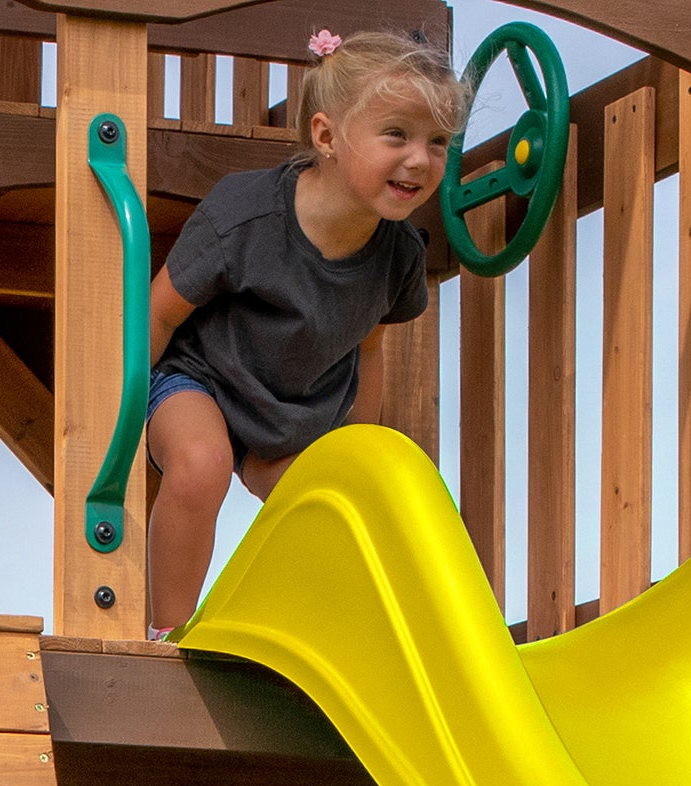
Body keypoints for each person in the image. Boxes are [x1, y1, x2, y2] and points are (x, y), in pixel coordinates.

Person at [143, 28, 468, 634]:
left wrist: (354, 449)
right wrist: (118, 413)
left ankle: (310, 641)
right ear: (326, 137)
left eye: (439, 141)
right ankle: (167, 634)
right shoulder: (245, 215)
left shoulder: (398, 253)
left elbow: (368, 347)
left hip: (291, 419)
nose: (421, 159)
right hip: (198, 381)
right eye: (396, 133)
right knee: (201, 461)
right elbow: (158, 313)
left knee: (339, 508)